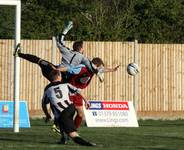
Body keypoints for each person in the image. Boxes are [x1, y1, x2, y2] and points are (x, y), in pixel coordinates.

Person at [42, 69, 96, 146]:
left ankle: (88, 144)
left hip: (64, 112)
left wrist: (47, 115)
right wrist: (86, 101)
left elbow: (43, 104)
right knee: (60, 121)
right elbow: (78, 91)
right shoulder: (66, 84)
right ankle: (63, 139)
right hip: (71, 107)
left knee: (72, 134)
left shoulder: (47, 89)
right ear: (58, 76)